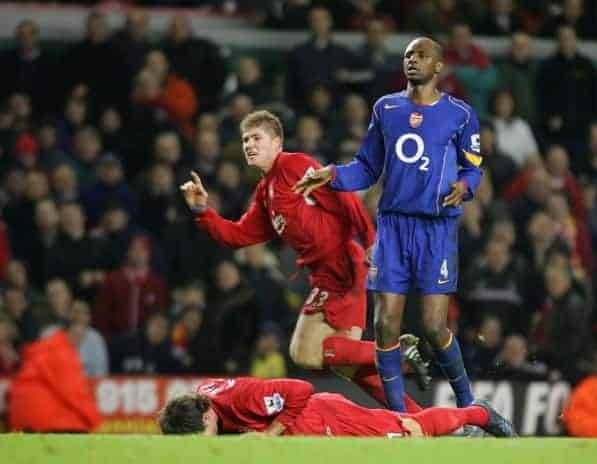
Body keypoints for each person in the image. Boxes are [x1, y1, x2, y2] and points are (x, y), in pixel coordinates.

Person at [179, 110, 429, 411]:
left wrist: (373, 240)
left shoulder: (294, 165)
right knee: (350, 366)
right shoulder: (265, 192)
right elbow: (238, 236)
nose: (248, 145)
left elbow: (344, 196)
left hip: (342, 266)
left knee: (304, 352)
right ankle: (419, 421)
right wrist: (202, 211)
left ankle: (397, 352)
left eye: (256, 138)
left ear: (276, 142)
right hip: (327, 273)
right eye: (245, 139)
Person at [294, 37, 482, 416]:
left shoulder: (460, 114)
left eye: (421, 54)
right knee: (384, 325)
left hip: (436, 228)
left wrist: (464, 187)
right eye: (408, 54)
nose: (412, 60)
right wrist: (331, 174)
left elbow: (473, 167)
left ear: (439, 66)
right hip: (394, 227)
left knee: (432, 325)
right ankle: (399, 420)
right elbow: (367, 167)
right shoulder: (386, 108)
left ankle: (469, 405)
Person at [158, 377, 517, 438]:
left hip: (324, 420)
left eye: (199, 435)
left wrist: (269, 435)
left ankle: (479, 413)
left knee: (411, 430)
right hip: (312, 426)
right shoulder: (200, 401)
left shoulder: (241, 401)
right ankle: (465, 438)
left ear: (207, 416)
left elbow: (299, 388)